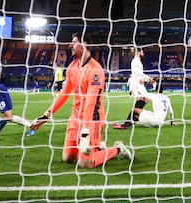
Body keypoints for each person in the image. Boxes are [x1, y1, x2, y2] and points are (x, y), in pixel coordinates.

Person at [30, 32, 132, 168]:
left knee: (85, 163)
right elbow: (64, 94)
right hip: (75, 118)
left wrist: (85, 132)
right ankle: (96, 147)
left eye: (74, 42)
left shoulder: (95, 71)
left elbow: (90, 103)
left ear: (84, 44)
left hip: (92, 119)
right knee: (68, 157)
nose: (70, 45)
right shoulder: (72, 67)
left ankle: (118, 149)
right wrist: (46, 115)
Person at [113, 47, 154, 130]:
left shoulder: (138, 61)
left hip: (140, 84)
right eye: (142, 51)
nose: (143, 52)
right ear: (138, 52)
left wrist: (145, 79)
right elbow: (137, 73)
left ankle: (133, 119)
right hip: (136, 85)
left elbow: (139, 74)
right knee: (142, 100)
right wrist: (148, 78)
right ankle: (127, 124)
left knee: (145, 100)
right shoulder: (135, 61)